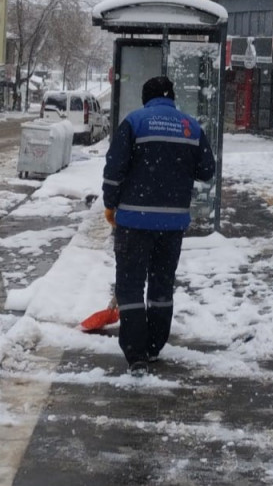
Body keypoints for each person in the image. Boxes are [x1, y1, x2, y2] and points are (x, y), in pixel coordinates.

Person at [94, 76, 215, 376]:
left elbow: (114, 170)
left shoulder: (135, 122)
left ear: (145, 98)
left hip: (133, 222)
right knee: (161, 285)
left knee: (130, 286)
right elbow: (207, 170)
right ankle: (153, 346)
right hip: (172, 225)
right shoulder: (190, 126)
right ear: (172, 97)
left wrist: (111, 204)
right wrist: (177, 168)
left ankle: (136, 355)